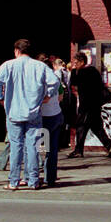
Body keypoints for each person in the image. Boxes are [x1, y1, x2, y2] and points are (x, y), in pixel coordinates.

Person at [0, 38, 54, 190]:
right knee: (33, 146)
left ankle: (14, 181)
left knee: (16, 147)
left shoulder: (8, 65)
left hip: (13, 112)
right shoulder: (39, 66)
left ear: (16, 51)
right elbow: (54, 82)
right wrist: (47, 95)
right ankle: (33, 181)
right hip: (33, 111)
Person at [68, 51, 111, 157]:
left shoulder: (78, 72)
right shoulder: (94, 70)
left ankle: (78, 151)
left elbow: (74, 86)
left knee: (81, 126)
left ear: (82, 62)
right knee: (96, 127)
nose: (74, 64)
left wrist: (74, 72)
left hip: (86, 105)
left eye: (76, 62)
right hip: (96, 104)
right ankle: (109, 146)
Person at [39, 54, 65, 187]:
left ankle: (35, 175)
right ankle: (50, 177)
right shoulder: (55, 78)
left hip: (43, 117)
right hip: (56, 115)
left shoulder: (40, 79)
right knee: (52, 149)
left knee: (38, 148)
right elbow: (61, 96)